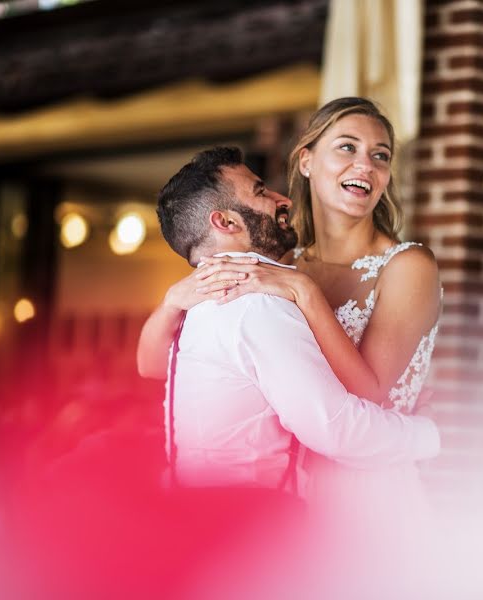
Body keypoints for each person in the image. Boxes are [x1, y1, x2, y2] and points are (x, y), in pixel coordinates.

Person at [137, 98, 442, 543]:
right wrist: (172, 301)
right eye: (347, 147)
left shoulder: (407, 266)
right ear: (306, 161)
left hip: (367, 491)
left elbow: (369, 391)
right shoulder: (279, 261)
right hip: (291, 494)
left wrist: (306, 290)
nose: (366, 165)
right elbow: (151, 365)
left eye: (380, 155)